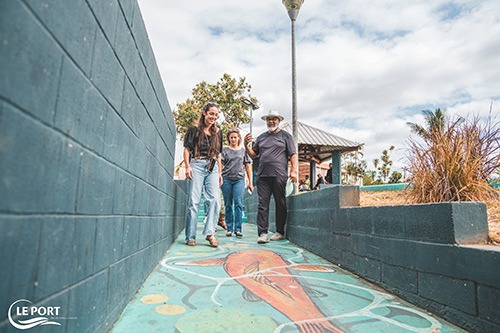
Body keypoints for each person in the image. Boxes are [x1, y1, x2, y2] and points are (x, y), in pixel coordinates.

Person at [244, 110, 298, 244]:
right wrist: (245, 145)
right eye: (269, 119)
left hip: (279, 175)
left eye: (274, 119)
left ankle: (280, 231)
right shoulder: (261, 137)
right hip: (262, 176)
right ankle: (263, 233)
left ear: (278, 121)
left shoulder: (286, 136)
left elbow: (293, 155)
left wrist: (294, 171)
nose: (271, 122)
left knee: (280, 203)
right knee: (262, 204)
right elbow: (253, 155)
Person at [183, 102, 222, 247]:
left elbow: (218, 154)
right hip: (197, 164)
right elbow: (187, 149)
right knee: (194, 201)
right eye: (211, 113)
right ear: (204, 113)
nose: (213, 117)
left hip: (213, 167)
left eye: (216, 115)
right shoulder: (194, 130)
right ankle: (190, 236)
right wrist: (187, 166)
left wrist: (220, 173)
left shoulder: (218, 132)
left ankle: (210, 233)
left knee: (214, 200)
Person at [221, 128, 253, 237]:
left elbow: (248, 166)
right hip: (226, 179)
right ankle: (229, 228)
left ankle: (238, 229)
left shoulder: (243, 151)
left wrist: (250, 182)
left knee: (238, 204)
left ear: (238, 138)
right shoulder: (224, 150)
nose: (233, 139)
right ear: (229, 139)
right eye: (231, 137)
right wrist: (219, 177)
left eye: (235, 137)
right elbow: (220, 164)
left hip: (239, 180)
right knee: (228, 204)